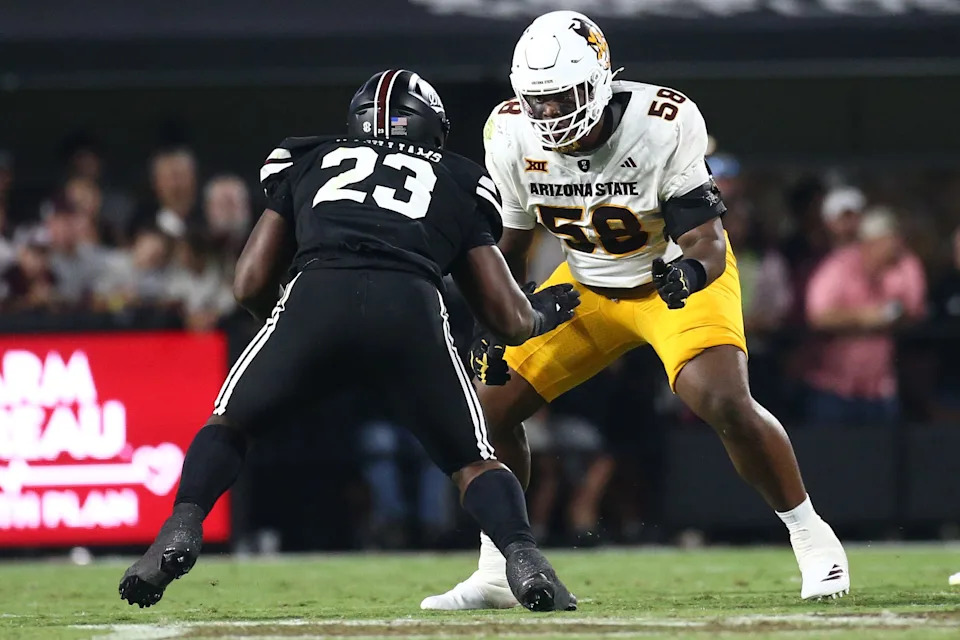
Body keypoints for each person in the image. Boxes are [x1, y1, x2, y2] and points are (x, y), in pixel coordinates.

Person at [421, 11, 849, 610]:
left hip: (668, 278)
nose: (547, 115)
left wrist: (690, 272)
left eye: (561, 98)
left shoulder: (662, 122)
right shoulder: (509, 131)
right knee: (485, 412)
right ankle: (499, 568)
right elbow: (509, 245)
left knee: (722, 399)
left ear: (599, 81)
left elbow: (707, 240)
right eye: (536, 101)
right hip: (584, 287)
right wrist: (497, 321)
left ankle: (810, 534)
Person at [119, 69, 580, 612]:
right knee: (474, 461)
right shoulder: (457, 177)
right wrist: (539, 316)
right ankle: (522, 557)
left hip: (317, 294)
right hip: (408, 305)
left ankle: (180, 526)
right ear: (433, 129)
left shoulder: (309, 157)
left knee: (229, 424)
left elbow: (246, 282)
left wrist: (292, 329)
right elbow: (505, 316)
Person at [803, 207, 926, 425]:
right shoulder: (839, 266)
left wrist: (890, 315)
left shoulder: (903, 265)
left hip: (881, 389)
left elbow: (915, 311)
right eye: (887, 240)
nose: (894, 246)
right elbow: (818, 315)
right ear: (869, 242)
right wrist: (866, 318)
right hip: (835, 389)